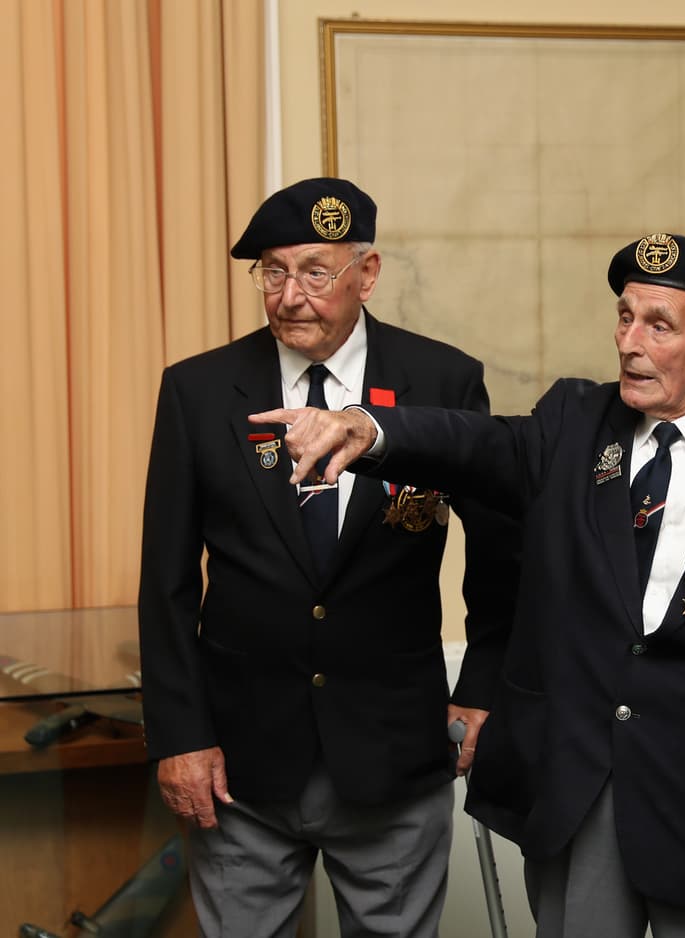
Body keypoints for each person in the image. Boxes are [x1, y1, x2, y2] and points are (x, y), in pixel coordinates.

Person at [250, 232, 685, 937]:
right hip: (583, 800)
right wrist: (367, 428)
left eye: (657, 325)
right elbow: (477, 445)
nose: (629, 341)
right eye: (624, 317)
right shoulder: (574, 423)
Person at [138, 177, 518, 937]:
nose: (289, 296)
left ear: (366, 274)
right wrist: (180, 736)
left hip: (392, 752)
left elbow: (502, 551)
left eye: (315, 272)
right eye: (272, 272)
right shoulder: (200, 390)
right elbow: (166, 581)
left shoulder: (441, 381)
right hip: (239, 762)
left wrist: (482, 686)